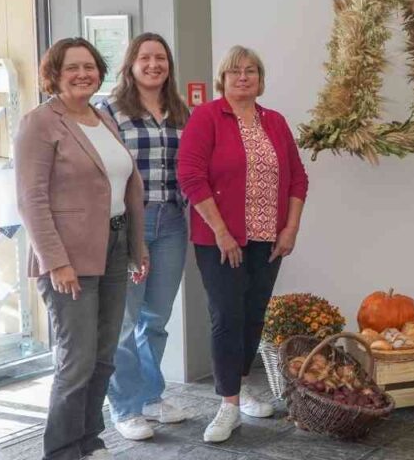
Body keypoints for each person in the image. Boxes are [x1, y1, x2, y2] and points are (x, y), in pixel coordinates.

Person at [16, 38, 148, 460]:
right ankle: (61, 450)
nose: (82, 74)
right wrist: (56, 262)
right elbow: (31, 200)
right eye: (72, 67)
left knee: (104, 355)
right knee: (77, 361)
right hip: (69, 256)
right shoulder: (40, 122)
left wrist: (136, 247)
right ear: (53, 74)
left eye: (89, 66)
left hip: (115, 245)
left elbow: (122, 186)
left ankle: (90, 441)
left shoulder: (100, 116)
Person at [177, 45, 309, 443]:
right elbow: (191, 177)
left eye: (251, 71)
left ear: (260, 80)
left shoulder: (275, 122)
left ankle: (240, 386)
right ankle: (228, 405)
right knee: (226, 316)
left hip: (268, 239)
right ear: (223, 78)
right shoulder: (206, 117)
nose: (243, 77)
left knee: (253, 315)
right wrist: (221, 231)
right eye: (234, 71)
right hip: (220, 240)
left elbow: (298, 178)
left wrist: (290, 228)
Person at [100, 33, 191, 440]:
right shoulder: (110, 110)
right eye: (145, 58)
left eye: (161, 58)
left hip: (171, 222)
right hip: (127, 223)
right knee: (124, 320)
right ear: (131, 64)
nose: (154, 65)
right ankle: (126, 406)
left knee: (156, 318)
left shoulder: (180, 111)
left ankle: (151, 396)